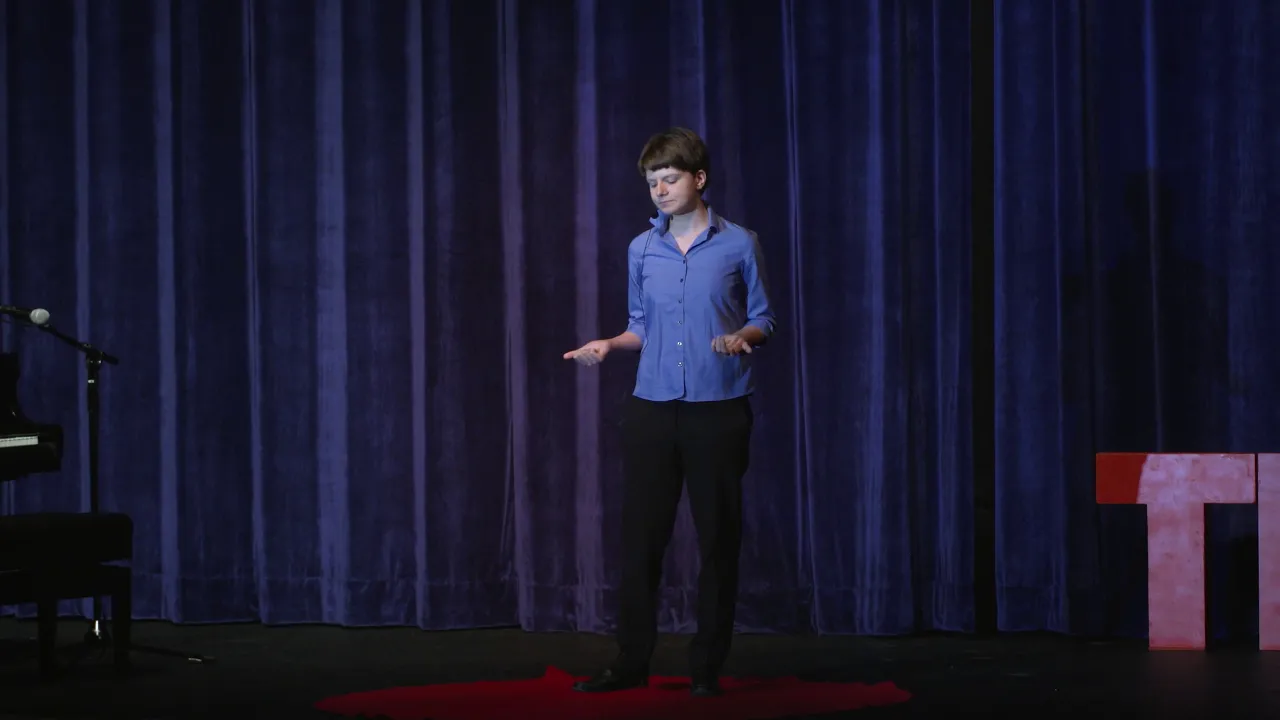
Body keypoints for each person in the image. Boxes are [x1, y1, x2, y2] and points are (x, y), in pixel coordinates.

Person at [562, 127, 776, 698]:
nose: (659, 190)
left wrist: (744, 337)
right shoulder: (642, 248)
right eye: (652, 182)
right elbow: (640, 325)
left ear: (699, 179)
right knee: (641, 543)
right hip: (652, 411)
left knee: (718, 543)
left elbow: (764, 317)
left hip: (718, 411)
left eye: (670, 178)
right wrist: (609, 345)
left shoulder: (739, 243)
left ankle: (706, 669)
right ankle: (630, 663)